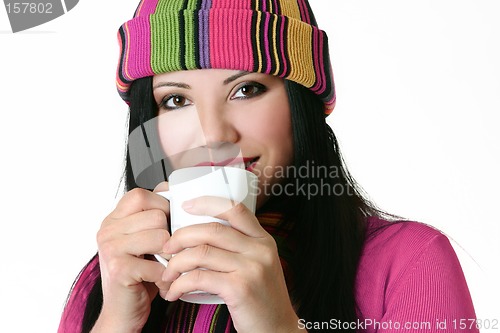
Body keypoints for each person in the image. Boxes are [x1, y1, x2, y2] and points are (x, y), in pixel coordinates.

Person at [58, 0, 478, 332]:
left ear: (302, 106)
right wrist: (115, 321)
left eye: (246, 89)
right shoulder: (112, 277)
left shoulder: (408, 262)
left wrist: (277, 326)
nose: (212, 134)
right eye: (176, 100)